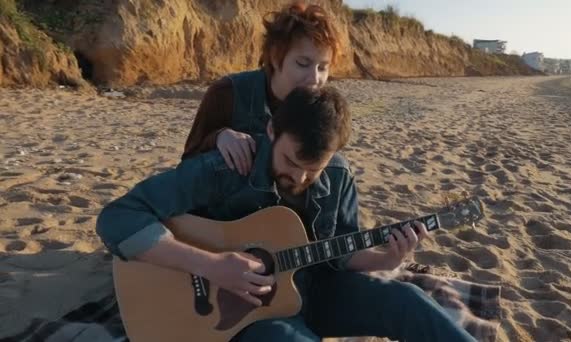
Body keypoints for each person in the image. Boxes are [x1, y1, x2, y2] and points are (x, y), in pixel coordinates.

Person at [96, 86, 476, 342]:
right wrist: (211, 265)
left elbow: (340, 253)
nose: (299, 177)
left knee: (407, 299)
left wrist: (388, 257)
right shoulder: (227, 168)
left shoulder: (339, 176)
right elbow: (118, 218)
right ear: (271, 129)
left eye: (314, 169)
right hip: (247, 313)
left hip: (317, 290)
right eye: (291, 161)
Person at [182, 1, 340, 176]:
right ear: (274, 56)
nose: (315, 79)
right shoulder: (227, 93)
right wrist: (218, 137)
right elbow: (187, 165)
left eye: (323, 68)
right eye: (303, 64)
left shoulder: (321, 108)